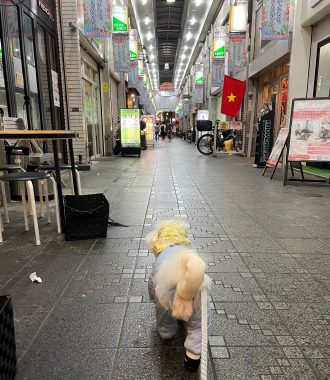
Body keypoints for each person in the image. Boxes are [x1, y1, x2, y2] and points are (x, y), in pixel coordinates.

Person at [147, 220, 211, 373]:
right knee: (199, 322)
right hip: (195, 286)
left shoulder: (161, 260)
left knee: (164, 312)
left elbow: (152, 283)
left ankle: (166, 332)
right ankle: (192, 359)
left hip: (166, 286)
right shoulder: (188, 256)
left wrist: (152, 295)